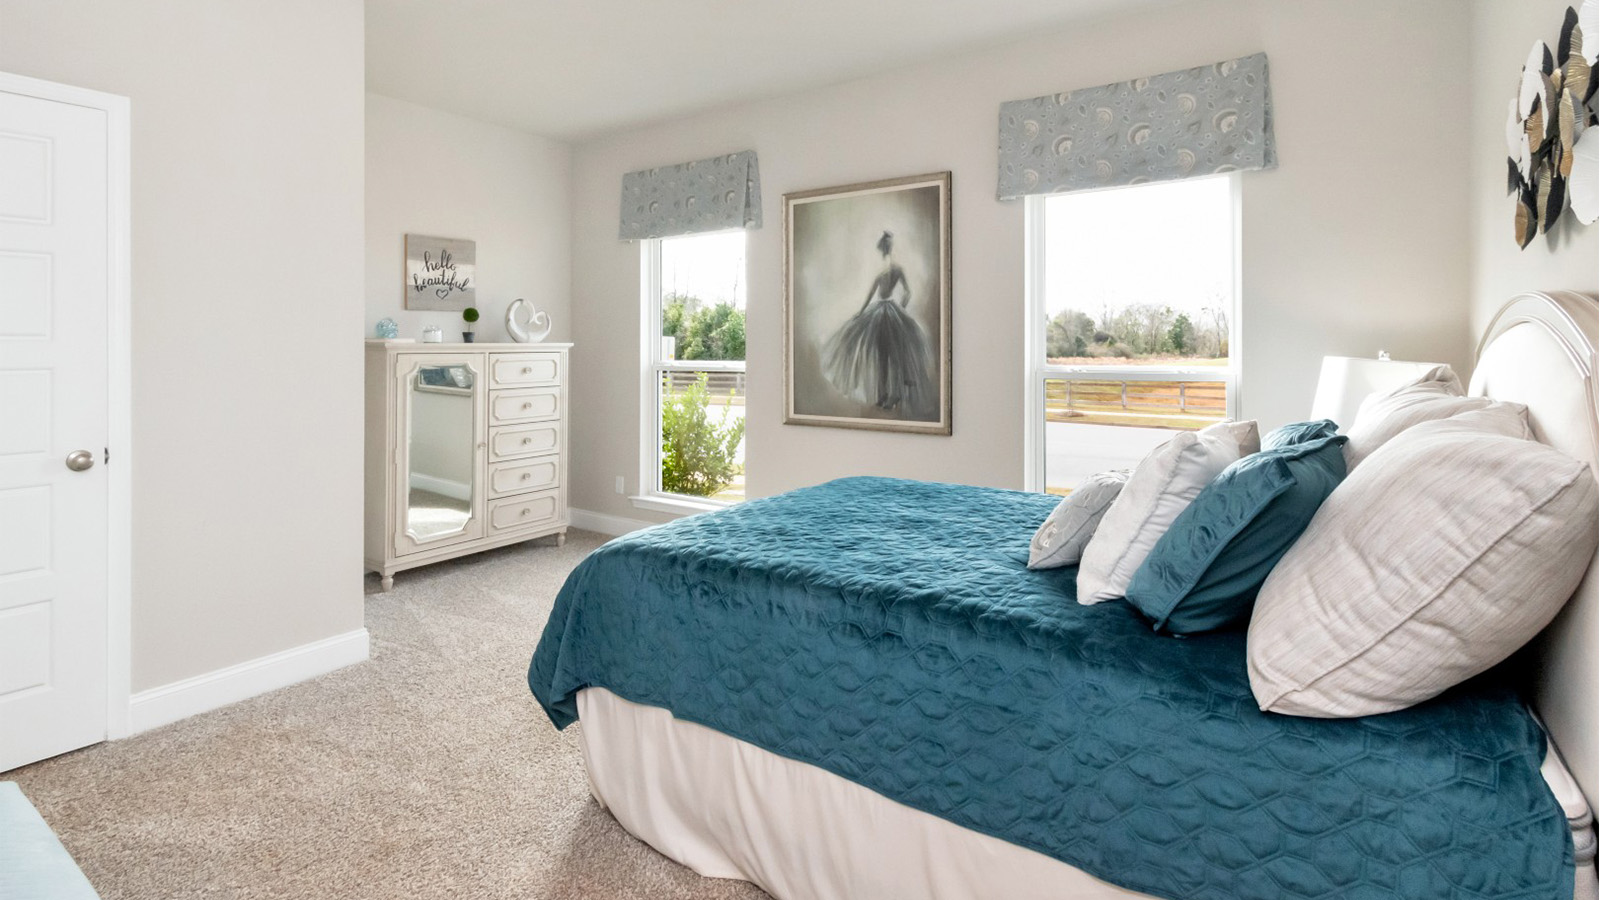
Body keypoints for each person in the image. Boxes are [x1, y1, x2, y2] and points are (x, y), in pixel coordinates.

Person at [821, 231, 935, 416]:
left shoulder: (891, 268)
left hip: (886, 312)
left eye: (884, 247)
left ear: (884, 247)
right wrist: (864, 311)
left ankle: (891, 394)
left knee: (889, 356)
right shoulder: (893, 268)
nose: (884, 249)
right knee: (884, 356)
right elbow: (901, 292)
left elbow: (897, 292)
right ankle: (885, 394)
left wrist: (900, 309)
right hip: (886, 311)